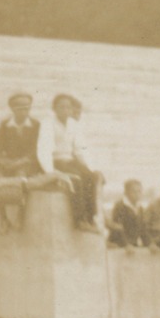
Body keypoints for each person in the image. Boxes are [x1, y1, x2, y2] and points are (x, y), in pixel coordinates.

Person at [50, 94, 101, 232]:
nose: (66, 110)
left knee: (91, 177)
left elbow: (79, 150)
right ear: (55, 108)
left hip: (70, 160)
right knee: (76, 178)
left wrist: (88, 169)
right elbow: (45, 149)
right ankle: (79, 219)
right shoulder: (50, 124)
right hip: (56, 160)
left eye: (68, 107)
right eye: (62, 107)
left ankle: (91, 218)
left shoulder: (73, 126)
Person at [107, 180, 149, 249]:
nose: (137, 194)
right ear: (126, 193)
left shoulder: (140, 208)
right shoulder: (120, 206)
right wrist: (126, 244)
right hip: (118, 245)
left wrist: (149, 244)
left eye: (139, 191)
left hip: (132, 246)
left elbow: (143, 230)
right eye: (134, 191)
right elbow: (118, 229)